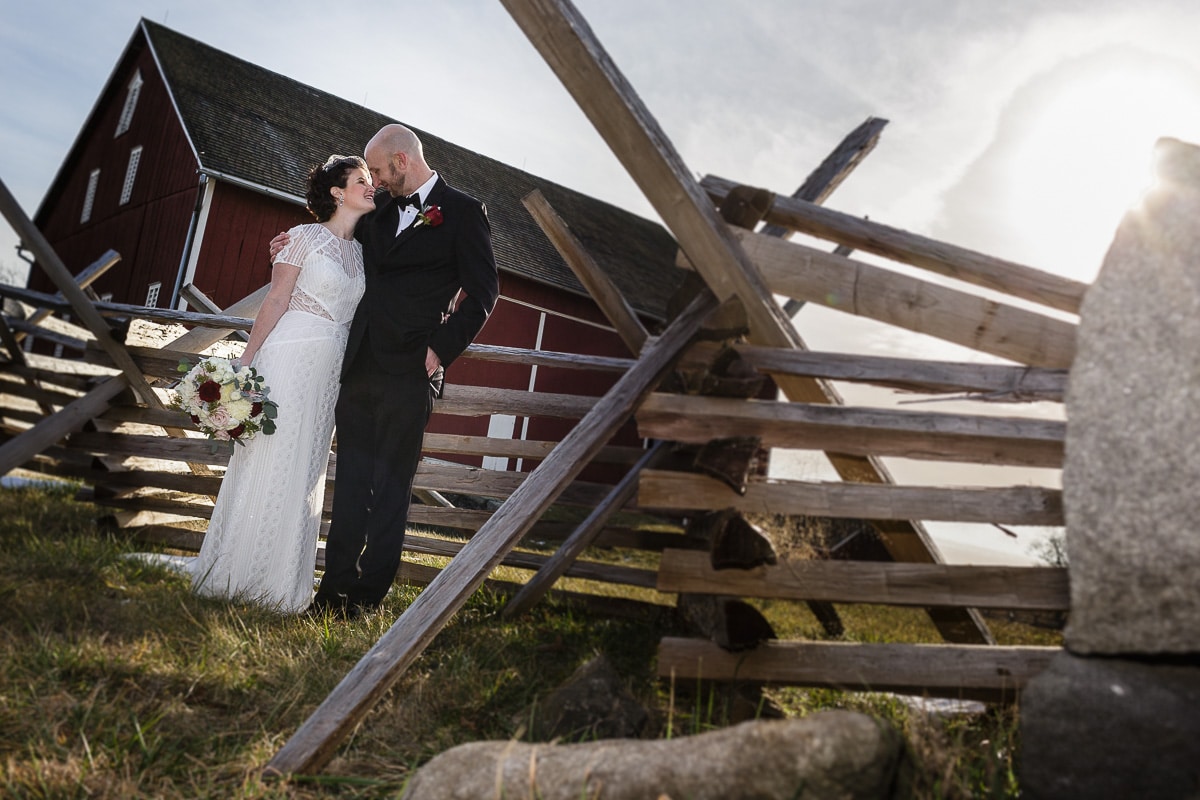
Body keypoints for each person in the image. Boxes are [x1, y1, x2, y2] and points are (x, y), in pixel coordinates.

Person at [272, 123, 499, 619]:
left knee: (392, 489)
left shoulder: (463, 212)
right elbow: (337, 236)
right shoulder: (380, 211)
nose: (371, 180)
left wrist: (440, 349)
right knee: (351, 482)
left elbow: (483, 295)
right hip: (358, 366)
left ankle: (366, 599)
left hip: (412, 369)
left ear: (401, 161)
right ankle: (331, 596)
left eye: (376, 169)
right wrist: (293, 242)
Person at [190, 155, 374, 613]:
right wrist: (245, 365)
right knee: (270, 458)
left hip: (330, 369)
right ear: (337, 192)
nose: (371, 187)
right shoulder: (301, 238)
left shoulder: (364, 251)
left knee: (307, 465)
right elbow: (275, 298)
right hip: (289, 355)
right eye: (361, 181)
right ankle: (234, 573)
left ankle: (283, 584)